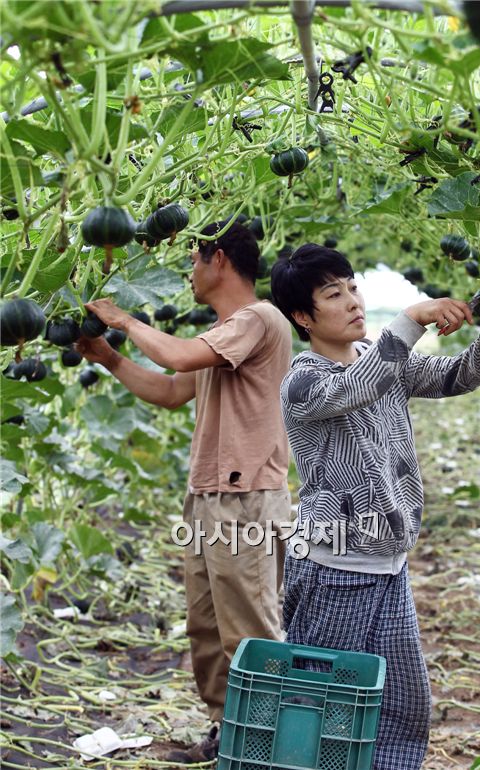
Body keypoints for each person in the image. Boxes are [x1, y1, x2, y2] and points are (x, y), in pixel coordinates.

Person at [270, 243, 480, 770]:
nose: (353, 301)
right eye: (333, 295)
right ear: (302, 317)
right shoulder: (304, 381)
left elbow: (455, 377)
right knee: (316, 708)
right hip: (331, 569)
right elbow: (359, 388)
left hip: (389, 566)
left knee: (405, 706)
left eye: (353, 287)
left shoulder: (379, 363)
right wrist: (409, 318)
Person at [77, 222, 292, 762]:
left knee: (250, 632)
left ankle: (265, 744)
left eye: (194, 260)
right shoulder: (220, 336)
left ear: (218, 259)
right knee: (207, 627)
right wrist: (112, 359)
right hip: (208, 497)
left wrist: (124, 319)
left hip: (245, 500)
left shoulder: (258, 320)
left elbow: (175, 359)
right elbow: (173, 390)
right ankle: (230, 731)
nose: (189, 274)